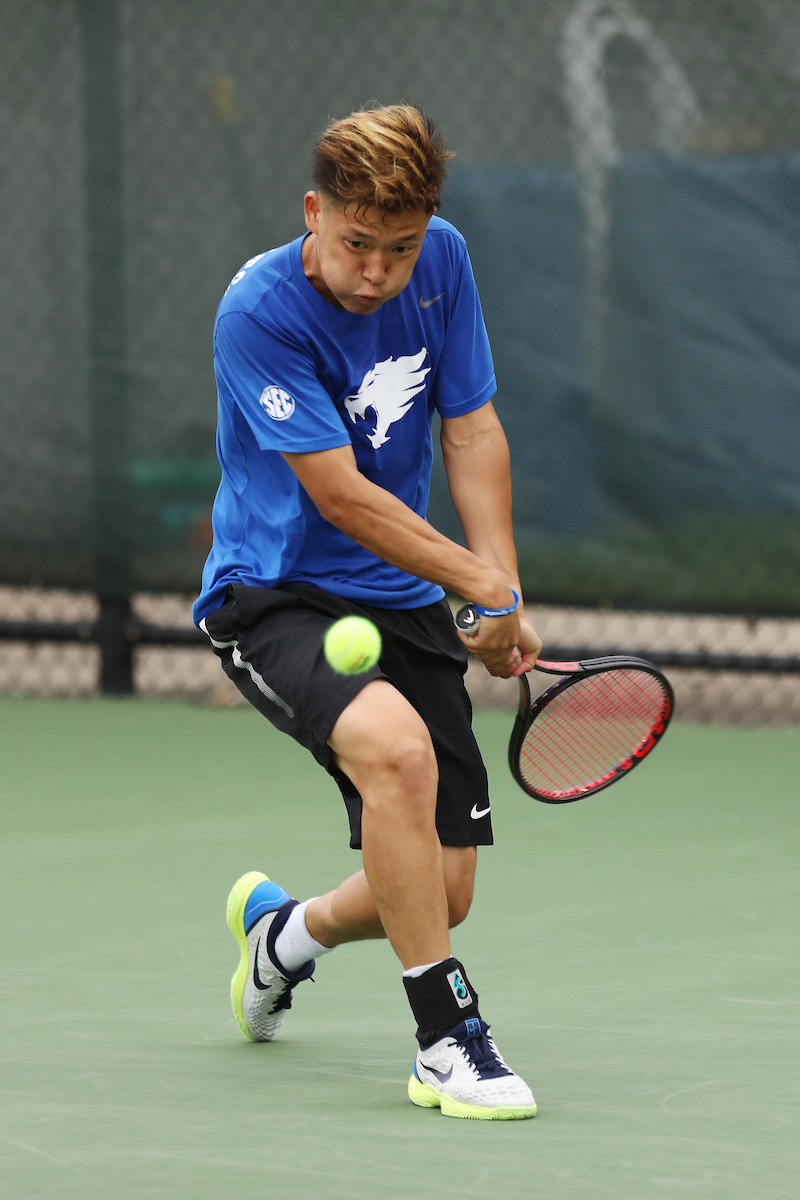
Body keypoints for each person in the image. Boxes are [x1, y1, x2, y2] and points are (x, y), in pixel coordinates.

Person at [193, 104, 542, 1121]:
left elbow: (470, 427)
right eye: (355, 244)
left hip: (401, 597)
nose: (378, 272)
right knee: (395, 753)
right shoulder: (256, 311)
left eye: (399, 248)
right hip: (277, 593)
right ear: (314, 213)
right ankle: (446, 1040)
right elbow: (338, 496)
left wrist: (498, 583)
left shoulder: (445, 263)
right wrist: (478, 587)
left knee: (442, 891)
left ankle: (284, 937)